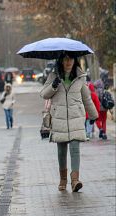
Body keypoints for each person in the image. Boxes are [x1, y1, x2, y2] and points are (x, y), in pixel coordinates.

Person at [40, 53, 98, 192]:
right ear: (61, 61)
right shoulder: (54, 76)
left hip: (75, 117)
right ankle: (63, 179)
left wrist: (93, 114)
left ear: (75, 60)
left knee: (74, 147)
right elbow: (43, 94)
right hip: (59, 118)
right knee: (61, 151)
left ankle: (75, 180)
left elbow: (87, 98)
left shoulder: (80, 77)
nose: (68, 62)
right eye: (66, 59)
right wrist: (53, 86)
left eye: (71, 59)